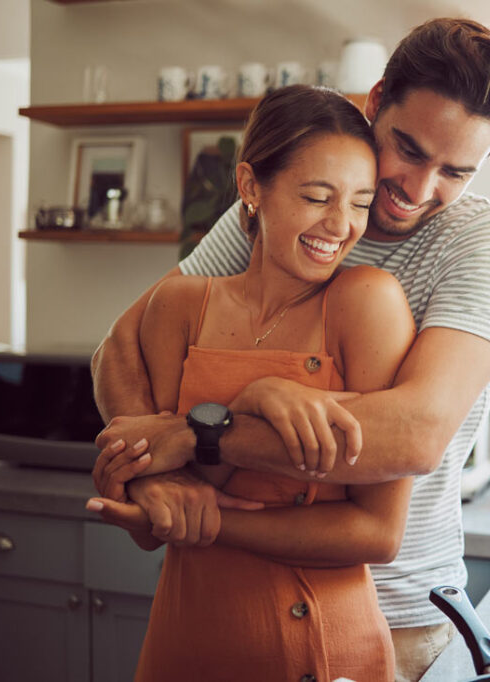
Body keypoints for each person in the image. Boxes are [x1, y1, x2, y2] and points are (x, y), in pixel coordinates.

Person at [89, 17, 490, 682]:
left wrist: (200, 435)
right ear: (376, 102)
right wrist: (162, 480)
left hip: (395, 614)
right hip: (228, 597)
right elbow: (121, 349)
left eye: (455, 172)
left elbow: (412, 434)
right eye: (408, 150)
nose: (417, 188)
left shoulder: (482, 243)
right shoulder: (294, 211)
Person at [103, 85, 417, 680]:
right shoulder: (178, 306)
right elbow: (164, 511)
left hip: (326, 648)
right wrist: (149, 491)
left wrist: (210, 520)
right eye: (317, 196)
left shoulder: (367, 303)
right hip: (187, 640)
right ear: (250, 186)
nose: (340, 225)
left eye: (359, 202)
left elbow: (377, 533)